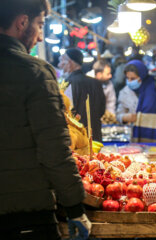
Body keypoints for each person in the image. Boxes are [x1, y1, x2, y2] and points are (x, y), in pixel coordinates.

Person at [0, 0, 91, 239]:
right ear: (22, 22)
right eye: (40, 25)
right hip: (26, 215)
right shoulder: (36, 73)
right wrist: (74, 208)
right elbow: (54, 150)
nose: (40, 37)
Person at [58, 48, 106, 142]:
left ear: (70, 62)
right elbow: (101, 110)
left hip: (78, 139)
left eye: (63, 60)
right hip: (95, 136)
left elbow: (67, 113)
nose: (60, 65)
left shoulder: (67, 84)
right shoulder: (96, 82)